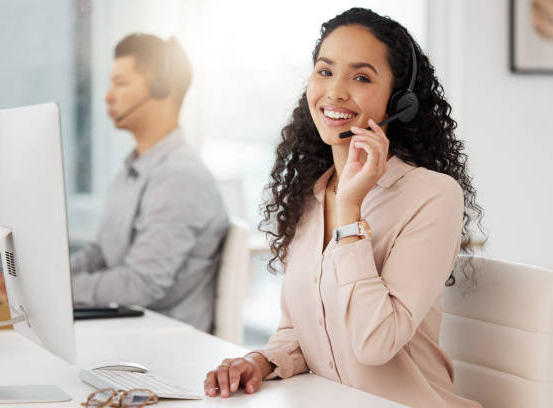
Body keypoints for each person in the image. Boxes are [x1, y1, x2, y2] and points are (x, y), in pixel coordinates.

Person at [204, 8, 484, 408]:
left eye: (361, 77)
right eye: (324, 71)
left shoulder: (432, 196)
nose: (334, 91)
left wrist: (350, 211)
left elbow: (374, 344)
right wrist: (259, 361)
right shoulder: (310, 195)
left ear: (400, 101)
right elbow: (302, 331)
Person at [71, 33, 229, 333]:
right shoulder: (131, 171)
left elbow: (140, 285)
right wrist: (40, 283)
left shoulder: (179, 177)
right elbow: (101, 254)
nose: (108, 96)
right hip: (128, 332)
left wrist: (57, 290)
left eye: (121, 83)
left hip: (160, 346)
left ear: (160, 89)